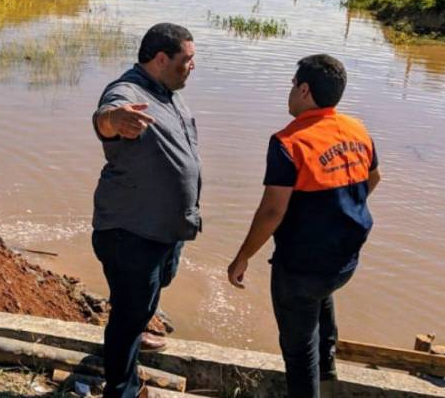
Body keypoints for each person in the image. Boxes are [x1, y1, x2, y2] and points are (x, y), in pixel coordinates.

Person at [227, 55, 380, 398]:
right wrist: (338, 210)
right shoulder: (358, 130)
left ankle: (313, 388)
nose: (290, 92)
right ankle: (328, 383)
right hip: (344, 262)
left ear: (305, 90)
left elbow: (271, 212)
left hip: (300, 269)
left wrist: (242, 257)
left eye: (293, 85)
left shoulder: (289, 142)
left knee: (299, 354)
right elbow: (373, 179)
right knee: (321, 309)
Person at [91, 23, 201, 398]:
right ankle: (121, 389)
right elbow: (105, 117)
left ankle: (136, 331)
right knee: (127, 313)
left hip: (162, 229)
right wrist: (114, 121)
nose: (192, 67)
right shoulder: (129, 92)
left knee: (147, 297)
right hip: (131, 230)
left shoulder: (169, 92)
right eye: (186, 61)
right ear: (160, 59)